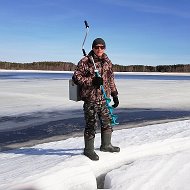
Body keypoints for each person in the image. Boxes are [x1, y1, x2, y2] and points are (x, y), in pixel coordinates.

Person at [72, 38, 120, 161]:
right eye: (97, 47)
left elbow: (110, 79)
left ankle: (106, 145)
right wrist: (91, 81)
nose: (99, 49)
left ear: (105, 48)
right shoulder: (86, 61)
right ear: (93, 48)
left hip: (105, 99)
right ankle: (88, 150)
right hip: (91, 99)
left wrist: (114, 94)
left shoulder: (107, 62)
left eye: (102, 47)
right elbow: (76, 78)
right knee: (91, 125)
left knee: (107, 122)